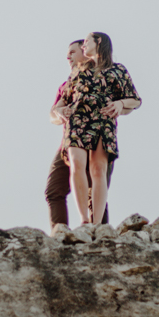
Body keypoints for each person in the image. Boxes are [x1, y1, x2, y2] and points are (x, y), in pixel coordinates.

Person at [56, 32, 140, 225]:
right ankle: (84, 220)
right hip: (77, 120)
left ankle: (97, 223)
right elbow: (61, 101)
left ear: (99, 41)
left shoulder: (117, 69)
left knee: (98, 169)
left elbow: (135, 99)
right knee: (76, 164)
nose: (83, 46)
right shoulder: (79, 70)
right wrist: (60, 111)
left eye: (86, 42)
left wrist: (120, 104)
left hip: (103, 120)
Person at [44, 40, 115, 233]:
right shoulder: (67, 84)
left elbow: (125, 101)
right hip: (69, 144)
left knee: (96, 191)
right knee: (54, 191)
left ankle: (98, 233)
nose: (68, 56)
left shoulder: (106, 76)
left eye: (72, 52)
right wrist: (58, 113)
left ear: (86, 52)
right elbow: (53, 114)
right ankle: (60, 234)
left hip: (97, 140)